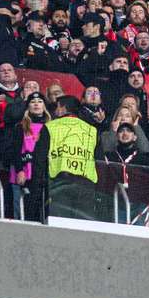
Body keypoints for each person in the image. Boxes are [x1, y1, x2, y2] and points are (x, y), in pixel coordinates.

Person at [30, 96, 98, 225]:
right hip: (87, 186)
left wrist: (36, 190)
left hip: (58, 184)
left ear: (63, 108)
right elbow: (99, 161)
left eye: (57, 107)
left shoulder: (50, 127)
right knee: (84, 227)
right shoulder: (92, 130)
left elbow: (39, 160)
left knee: (60, 226)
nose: (55, 111)